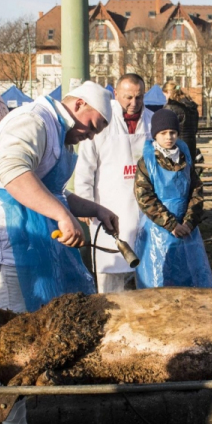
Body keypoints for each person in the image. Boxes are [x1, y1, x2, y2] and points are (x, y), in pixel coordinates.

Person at [0, 81, 118, 424]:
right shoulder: (33, 120)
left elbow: (54, 190)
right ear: (78, 102)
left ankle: (23, 416)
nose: (90, 133)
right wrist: (61, 215)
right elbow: (14, 172)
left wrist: (93, 209)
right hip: (9, 243)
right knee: (18, 341)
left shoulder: (60, 133)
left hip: (30, 243)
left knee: (39, 332)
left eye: (97, 131)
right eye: (92, 123)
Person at [75, 74, 153, 292]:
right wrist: (85, 202)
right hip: (109, 202)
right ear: (116, 94)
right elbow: (85, 167)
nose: (134, 103)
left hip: (144, 207)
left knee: (145, 265)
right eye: (128, 97)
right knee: (111, 267)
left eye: (139, 97)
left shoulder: (152, 120)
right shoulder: (102, 121)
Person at [134, 109, 212, 288]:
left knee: (191, 274)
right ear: (155, 135)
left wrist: (189, 222)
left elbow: (196, 191)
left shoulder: (184, 158)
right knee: (159, 276)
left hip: (187, 229)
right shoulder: (147, 162)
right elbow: (145, 197)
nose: (169, 137)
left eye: (173, 132)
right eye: (163, 133)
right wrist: (171, 225)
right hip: (158, 229)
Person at [162, 81, 199, 159]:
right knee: (188, 170)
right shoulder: (192, 107)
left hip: (175, 147)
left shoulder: (170, 108)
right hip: (191, 146)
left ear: (168, 92)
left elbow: (165, 130)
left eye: (164, 94)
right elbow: (195, 129)